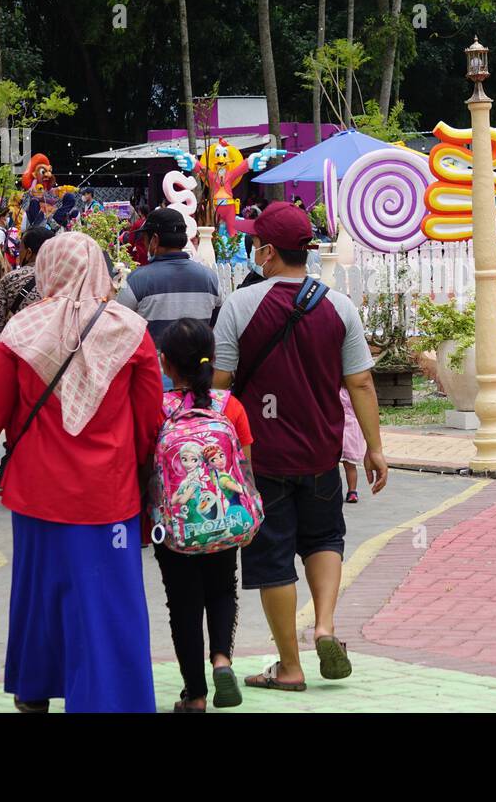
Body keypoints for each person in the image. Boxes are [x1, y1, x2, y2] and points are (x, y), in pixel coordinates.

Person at [0, 233, 163, 712]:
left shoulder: (22, 329)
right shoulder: (130, 331)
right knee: (106, 601)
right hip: (108, 494)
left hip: (35, 493)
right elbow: (149, 421)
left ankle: (34, 689)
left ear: (48, 270)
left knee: (40, 593)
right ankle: (105, 699)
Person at [213, 202, 387, 692]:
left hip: (260, 459)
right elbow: (362, 385)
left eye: (255, 245)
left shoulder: (239, 306)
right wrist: (373, 448)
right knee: (324, 539)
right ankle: (326, 626)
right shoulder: (339, 306)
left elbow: (221, 384)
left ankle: (289, 666)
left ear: (267, 251)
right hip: (321, 454)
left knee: (272, 558)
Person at [154, 317, 253, 712]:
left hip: (175, 525)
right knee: (222, 587)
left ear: (165, 363)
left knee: (183, 603)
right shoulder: (230, 406)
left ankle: (194, 696)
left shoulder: (156, 409)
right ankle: (222, 660)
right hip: (223, 520)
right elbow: (245, 466)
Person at [117, 208, 221, 344]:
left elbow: (120, 329)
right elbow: (214, 326)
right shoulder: (210, 279)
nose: (144, 244)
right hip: (197, 364)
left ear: (154, 240)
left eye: (145, 240)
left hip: (155, 364)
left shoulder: (136, 280)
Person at [0, 225, 56, 344]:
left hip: (17, 352)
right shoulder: (66, 279)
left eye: (20, 249)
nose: (19, 254)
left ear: (29, 252)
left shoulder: (12, 278)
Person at [339, 387, 366, 504]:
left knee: (350, 464)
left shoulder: (354, 389)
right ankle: (333, 491)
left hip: (350, 428)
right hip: (336, 426)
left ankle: (352, 491)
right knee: (329, 465)